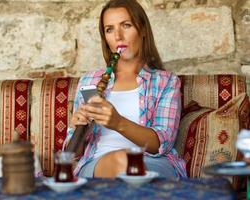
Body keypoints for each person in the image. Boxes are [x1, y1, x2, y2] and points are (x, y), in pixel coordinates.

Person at [63, 0, 187, 178]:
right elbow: (71, 155)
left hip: (153, 163)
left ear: (143, 30)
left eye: (126, 25)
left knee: (126, 162)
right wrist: (78, 129)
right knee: (121, 161)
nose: (118, 36)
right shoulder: (89, 82)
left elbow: (162, 143)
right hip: (96, 164)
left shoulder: (165, 81)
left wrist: (118, 122)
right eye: (109, 29)